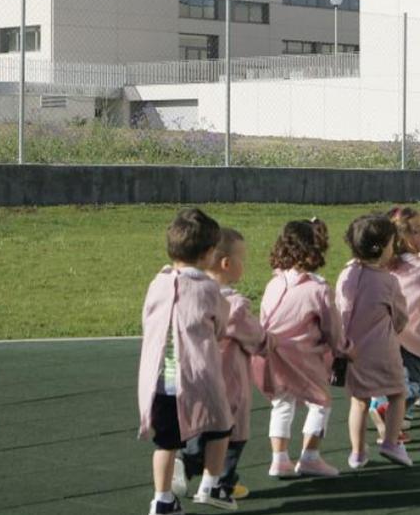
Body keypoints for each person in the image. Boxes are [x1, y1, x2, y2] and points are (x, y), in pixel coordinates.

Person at [137, 207, 235, 513]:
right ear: (208, 254)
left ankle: (162, 498)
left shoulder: (159, 283)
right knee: (220, 426)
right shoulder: (207, 288)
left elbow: (147, 320)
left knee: (166, 442)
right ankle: (211, 484)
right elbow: (220, 323)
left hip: (159, 380)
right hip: (197, 374)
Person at [175, 229, 264, 504]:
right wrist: (268, 341)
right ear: (227, 263)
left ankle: (185, 464)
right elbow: (255, 337)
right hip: (229, 381)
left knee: (199, 431)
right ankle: (222, 483)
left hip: (197, 379)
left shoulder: (191, 295)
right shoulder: (233, 305)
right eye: (242, 259)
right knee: (232, 434)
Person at [253, 220, 342, 479]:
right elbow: (332, 329)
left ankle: (279, 459)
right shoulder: (319, 289)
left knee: (282, 404)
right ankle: (310, 456)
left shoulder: (275, 283)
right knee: (320, 403)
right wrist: (344, 349)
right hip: (303, 358)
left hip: (272, 356)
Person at [336, 214, 413, 469]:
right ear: (382, 248)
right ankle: (391, 442)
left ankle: (357, 453)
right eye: (392, 243)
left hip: (351, 349)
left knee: (359, 401)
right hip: (382, 349)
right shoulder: (388, 281)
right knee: (397, 393)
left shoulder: (346, 275)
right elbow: (401, 317)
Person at [379, 206, 420, 431]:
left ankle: (394, 417)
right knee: (417, 382)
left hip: (383, 333)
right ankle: (388, 409)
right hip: (409, 336)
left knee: (391, 376)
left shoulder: (384, 265)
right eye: (417, 231)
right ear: (402, 238)